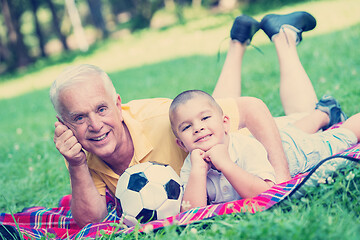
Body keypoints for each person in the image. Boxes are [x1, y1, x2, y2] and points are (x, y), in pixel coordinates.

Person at [51, 11, 319, 227]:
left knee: (304, 121)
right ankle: (238, 41)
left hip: (242, 151)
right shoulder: (79, 148)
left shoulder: (158, 119)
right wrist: (76, 165)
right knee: (207, 113)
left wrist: (282, 184)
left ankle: (284, 38)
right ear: (65, 124)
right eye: (79, 117)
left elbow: (252, 108)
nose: (95, 125)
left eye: (101, 110)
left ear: (118, 105)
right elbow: (91, 222)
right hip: (211, 146)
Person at [169, 89, 359, 210]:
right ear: (181, 144)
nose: (198, 128)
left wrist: (226, 164)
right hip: (279, 140)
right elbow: (191, 212)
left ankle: (332, 117)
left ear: (225, 123)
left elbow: (265, 193)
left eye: (205, 118)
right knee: (292, 132)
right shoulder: (192, 165)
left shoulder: (244, 148)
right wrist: (198, 171)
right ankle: (324, 112)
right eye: (186, 127)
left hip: (293, 153)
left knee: (339, 138)